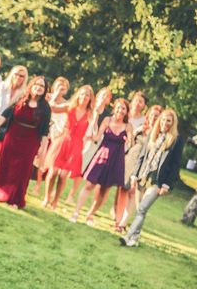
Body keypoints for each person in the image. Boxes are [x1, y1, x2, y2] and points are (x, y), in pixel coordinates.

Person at [120, 109, 183, 246]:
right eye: (163, 119)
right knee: (139, 210)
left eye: (168, 121)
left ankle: (127, 236)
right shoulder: (152, 135)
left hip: (157, 181)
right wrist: (134, 175)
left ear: (173, 123)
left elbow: (175, 165)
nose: (165, 123)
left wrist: (167, 185)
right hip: (143, 176)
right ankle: (135, 239)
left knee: (142, 209)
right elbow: (142, 156)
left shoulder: (176, 140)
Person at [0, 76, 51, 209]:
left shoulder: (45, 108)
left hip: (30, 141)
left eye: (42, 86)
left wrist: (42, 148)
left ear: (45, 90)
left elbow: (45, 130)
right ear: (31, 86)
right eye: (37, 85)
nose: (39, 88)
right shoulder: (20, 98)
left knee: (22, 171)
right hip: (12, 135)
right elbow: (6, 113)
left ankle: (15, 200)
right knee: (5, 163)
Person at [70, 98, 132, 226]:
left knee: (104, 191)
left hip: (116, 160)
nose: (120, 110)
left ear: (126, 112)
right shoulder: (107, 120)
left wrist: (128, 140)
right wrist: (90, 136)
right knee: (89, 185)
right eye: (118, 107)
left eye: (123, 109)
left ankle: (90, 214)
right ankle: (76, 212)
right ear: (114, 108)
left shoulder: (128, 126)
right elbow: (98, 136)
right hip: (102, 156)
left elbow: (130, 142)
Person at [41, 84, 93, 209]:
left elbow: (93, 129)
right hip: (63, 141)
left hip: (76, 146)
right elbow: (52, 108)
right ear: (78, 95)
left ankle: (55, 200)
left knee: (63, 175)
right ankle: (47, 197)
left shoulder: (90, 114)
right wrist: (56, 94)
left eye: (87, 95)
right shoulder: (69, 107)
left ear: (90, 98)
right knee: (53, 172)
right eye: (82, 93)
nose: (84, 97)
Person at [114, 105, 163, 232]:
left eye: (156, 116)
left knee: (133, 192)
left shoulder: (159, 135)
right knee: (123, 190)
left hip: (143, 166)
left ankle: (123, 223)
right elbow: (130, 143)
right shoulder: (141, 129)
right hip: (131, 160)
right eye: (151, 115)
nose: (153, 118)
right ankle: (117, 219)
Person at [65, 86, 112, 204]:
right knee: (66, 165)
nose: (103, 98)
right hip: (78, 138)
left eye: (107, 96)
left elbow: (99, 132)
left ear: (108, 100)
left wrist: (96, 118)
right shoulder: (89, 107)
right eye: (102, 95)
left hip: (91, 144)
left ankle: (71, 195)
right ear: (97, 96)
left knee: (79, 169)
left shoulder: (106, 115)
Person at [32, 77, 70, 195]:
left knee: (51, 164)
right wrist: (55, 95)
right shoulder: (47, 97)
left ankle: (50, 187)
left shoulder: (66, 104)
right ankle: (37, 185)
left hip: (56, 135)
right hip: (43, 131)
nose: (60, 89)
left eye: (63, 87)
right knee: (39, 161)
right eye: (59, 86)